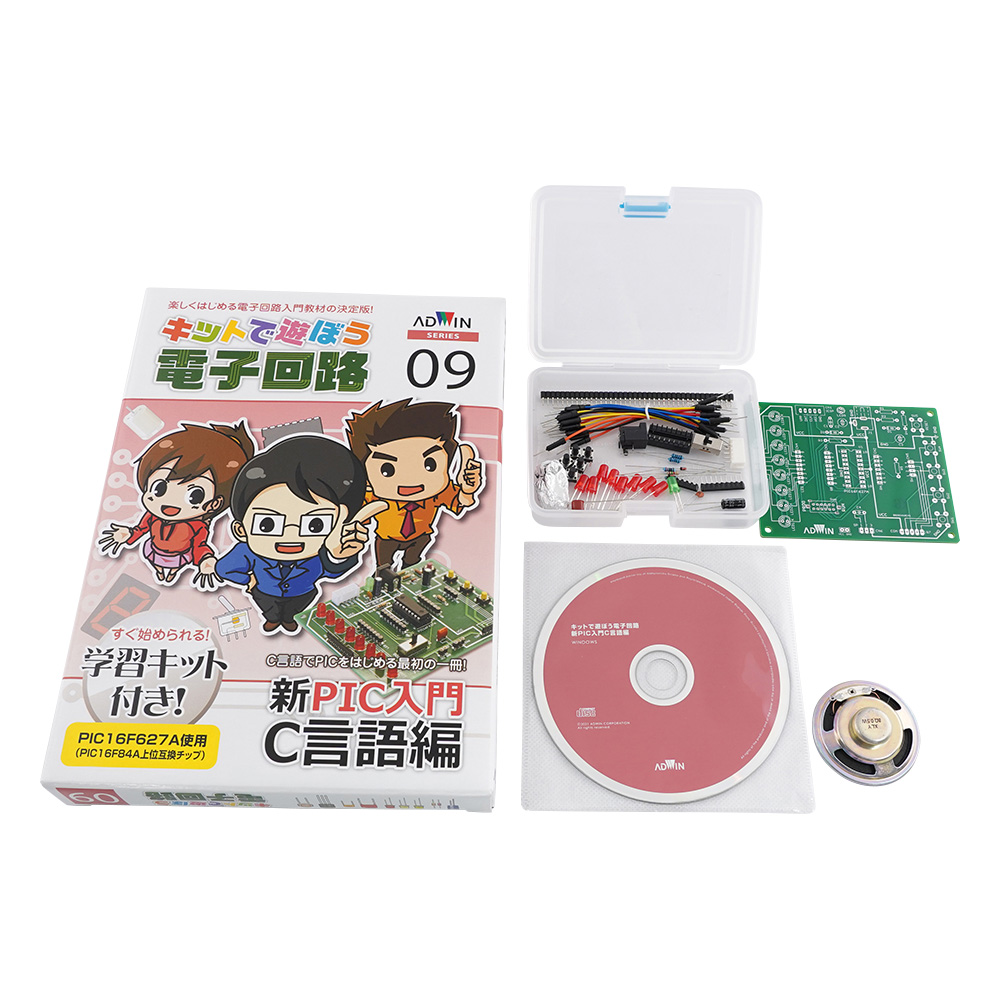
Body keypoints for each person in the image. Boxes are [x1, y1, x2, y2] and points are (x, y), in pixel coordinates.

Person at [209, 435, 386, 634]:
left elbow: (334, 571)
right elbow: (224, 568)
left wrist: (338, 555)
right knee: (269, 609)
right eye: (267, 524)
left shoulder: (322, 554)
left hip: (304, 593)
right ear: (241, 530)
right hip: (264, 593)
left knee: (295, 610)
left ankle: (289, 620)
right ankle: (272, 619)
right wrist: (248, 580)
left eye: (315, 525)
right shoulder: (246, 551)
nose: (291, 535)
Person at [99, 420, 254, 588]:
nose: (170, 502)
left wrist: (206, 559)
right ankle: (160, 571)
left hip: (180, 556)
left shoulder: (198, 526)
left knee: (173, 568)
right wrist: (127, 534)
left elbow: (199, 545)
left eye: (195, 496)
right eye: (159, 488)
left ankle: (171, 572)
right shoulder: (151, 516)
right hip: (153, 549)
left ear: (214, 504)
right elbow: (141, 529)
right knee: (157, 565)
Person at [344, 398, 484, 570]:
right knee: (383, 568)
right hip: (386, 539)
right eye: (387, 469)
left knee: (412, 566)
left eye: (429, 465)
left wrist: (468, 490)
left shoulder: (439, 493)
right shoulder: (372, 495)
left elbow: (461, 502)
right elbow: (357, 515)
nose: (410, 479)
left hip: (421, 537)